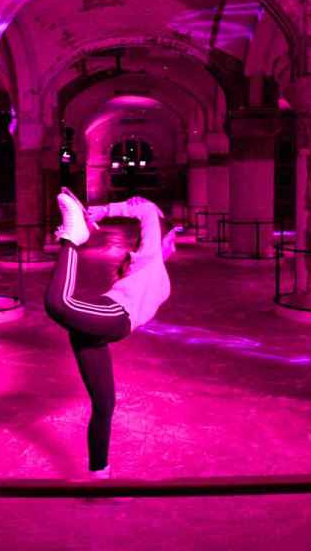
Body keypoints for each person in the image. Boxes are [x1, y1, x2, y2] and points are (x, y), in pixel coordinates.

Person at [44, 187, 178, 478]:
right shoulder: (150, 257)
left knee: (104, 404)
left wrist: (98, 213)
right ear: (161, 236)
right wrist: (104, 211)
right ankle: (72, 238)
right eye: (172, 236)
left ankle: (99, 477)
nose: (175, 243)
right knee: (58, 303)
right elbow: (147, 209)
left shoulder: (144, 266)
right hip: (114, 317)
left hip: (101, 327)